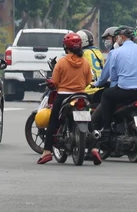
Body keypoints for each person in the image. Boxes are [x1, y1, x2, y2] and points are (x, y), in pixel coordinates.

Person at [39, 32, 103, 165]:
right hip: (82, 95)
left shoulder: (62, 62)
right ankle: (95, 149)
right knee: (88, 119)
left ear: (65, 47)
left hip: (63, 95)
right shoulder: (85, 62)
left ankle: (46, 152)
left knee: (53, 120)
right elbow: (88, 81)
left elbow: (55, 82)